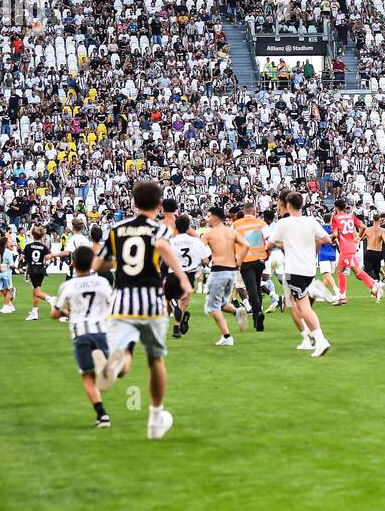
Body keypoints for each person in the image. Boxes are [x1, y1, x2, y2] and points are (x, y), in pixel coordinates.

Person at [94, 180, 192, 440]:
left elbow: (98, 264)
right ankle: (155, 417)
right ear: (159, 205)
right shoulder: (160, 230)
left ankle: (114, 368)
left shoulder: (116, 229)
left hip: (121, 301)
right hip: (150, 302)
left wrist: (117, 259)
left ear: (133, 202)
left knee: (125, 354)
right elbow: (160, 246)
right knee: (155, 360)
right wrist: (182, 278)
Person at [50, 245, 114, 428]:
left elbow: (54, 314)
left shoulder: (68, 285)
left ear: (73, 263)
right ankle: (107, 367)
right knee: (100, 369)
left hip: (80, 333)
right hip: (101, 331)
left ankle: (102, 414)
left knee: (87, 376)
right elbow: (112, 306)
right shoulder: (102, 282)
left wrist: (68, 314)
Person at [266, 191, 333, 357]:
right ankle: (312, 291)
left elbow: (270, 243)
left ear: (288, 205)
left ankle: (320, 340)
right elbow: (326, 240)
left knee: (303, 307)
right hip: (309, 269)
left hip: (293, 269)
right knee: (301, 303)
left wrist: (281, 246)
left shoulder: (284, 224)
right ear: (302, 205)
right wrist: (312, 249)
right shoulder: (311, 221)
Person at [201, 206, 249, 347]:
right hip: (232, 271)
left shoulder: (209, 234)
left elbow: (200, 252)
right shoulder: (231, 232)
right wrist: (238, 262)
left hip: (218, 271)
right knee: (221, 302)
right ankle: (237, 312)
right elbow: (246, 245)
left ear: (215, 217)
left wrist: (203, 262)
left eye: (209, 216)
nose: (207, 219)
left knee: (212, 306)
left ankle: (227, 336)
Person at [330, 199, 382, 304]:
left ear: (336, 207)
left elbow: (335, 234)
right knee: (342, 271)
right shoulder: (351, 216)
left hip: (345, 248)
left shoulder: (335, 218)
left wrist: (329, 239)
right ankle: (343, 295)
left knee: (356, 272)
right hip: (351, 247)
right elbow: (363, 226)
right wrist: (358, 238)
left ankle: (375, 288)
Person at [232, 202, 269, 331]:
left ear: (244, 211)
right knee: (257, 286)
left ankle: (258, 312)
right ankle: (257, 320)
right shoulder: (261, 223)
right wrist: (267, 253)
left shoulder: (236, 225)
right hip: (260, 259)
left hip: (245, 260)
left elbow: (231, 241)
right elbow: (269, 239)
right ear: (255, 211)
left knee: (251, 288)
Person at [22, 226, 54, 320]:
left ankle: (51, 299)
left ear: (32, 235)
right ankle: (34, 311)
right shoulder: (43, 247)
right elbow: (49, 257)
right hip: (41, 270)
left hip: (33, 270)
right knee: (36, 290)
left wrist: (20, 263)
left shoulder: (29, 246)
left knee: (37, 292)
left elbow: (22, 257)